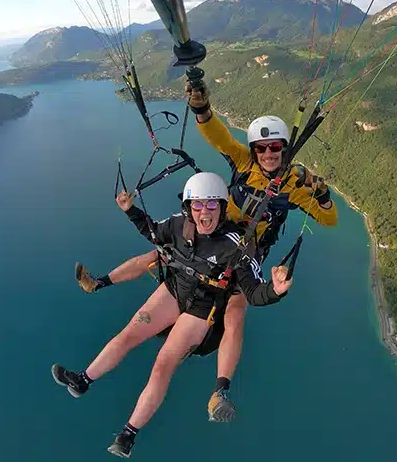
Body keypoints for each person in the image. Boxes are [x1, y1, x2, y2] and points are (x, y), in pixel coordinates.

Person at [74, 78, 339, 423]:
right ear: (255, 150)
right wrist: (201, 108)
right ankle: (98, 283)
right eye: (262, 148)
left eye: (275, 148)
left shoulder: (296, 186)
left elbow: (329, 219)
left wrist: (320, 194)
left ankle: (220, 391)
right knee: (155, 254)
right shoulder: (245, 164)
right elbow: (219, 138)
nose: (269, 154)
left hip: (246, 253)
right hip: (212, 235)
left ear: (285, 149)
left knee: (235, 311)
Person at [53, 172, 293, 458]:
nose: (205, 212)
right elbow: (153, 232)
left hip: (202, 308)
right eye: (198, 206)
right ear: (189, 209)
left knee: (162, 365)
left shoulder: (235, 246)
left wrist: (275, 290)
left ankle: (128, 434)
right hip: (174, 290)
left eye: (212, 206)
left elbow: (253, 293)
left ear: (222, 207)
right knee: (127, 336)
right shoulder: (179, 226)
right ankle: (82, 380)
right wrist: (130, 210)